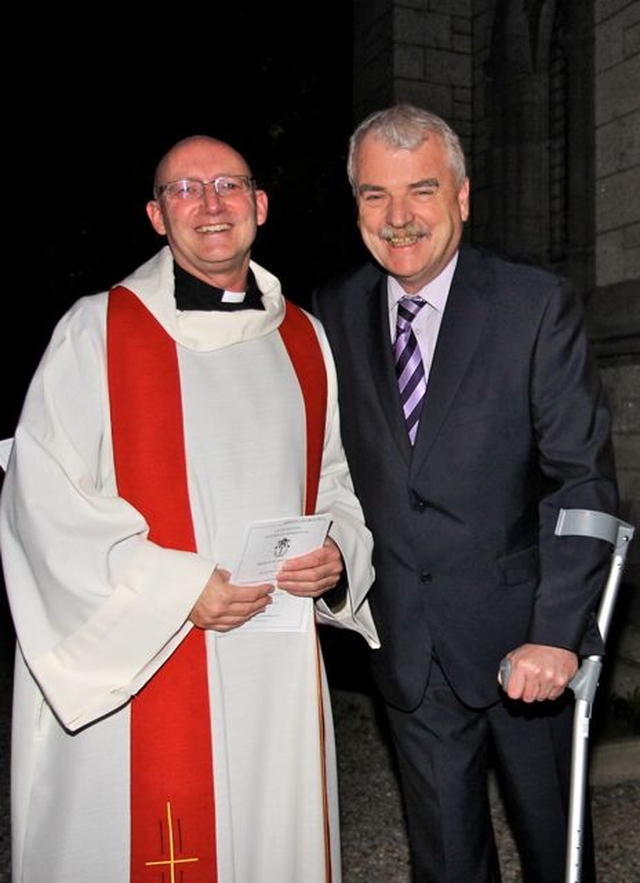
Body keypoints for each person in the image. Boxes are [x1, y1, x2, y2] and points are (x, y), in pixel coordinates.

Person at [0, 134, 379, 883]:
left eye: (229, 185)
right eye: (185, 189)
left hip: (276, 669)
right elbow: (43, 498)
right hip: (146, 659)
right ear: (155, 215)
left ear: (260, 206)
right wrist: (177, 590)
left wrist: (336, 555)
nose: (211, 204)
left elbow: (333, 480)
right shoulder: (98, 331)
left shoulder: (304, 338)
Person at [311, 104, 619, 883]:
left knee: (560, 853)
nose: (400, 218)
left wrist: (557, 631)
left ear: (463, 197)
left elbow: (582, 481)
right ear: (355, 205)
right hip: (408, 648)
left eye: (422, 190)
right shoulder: (329, 315)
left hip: (527, 649)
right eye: (376, 196)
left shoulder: (534, 305)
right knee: (445, 861)